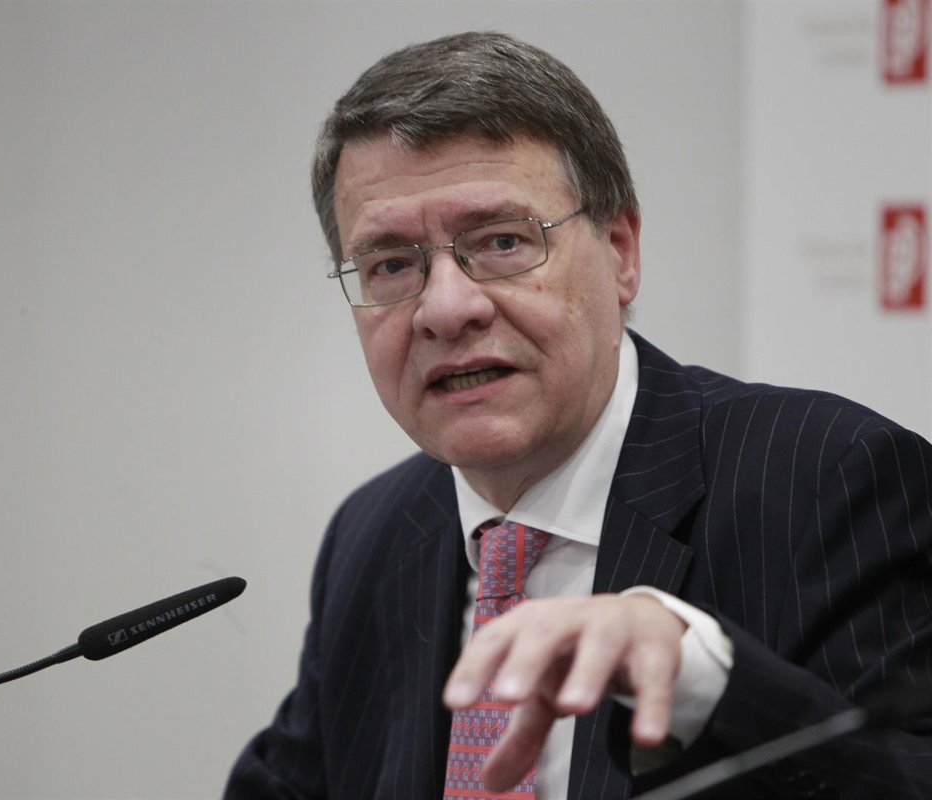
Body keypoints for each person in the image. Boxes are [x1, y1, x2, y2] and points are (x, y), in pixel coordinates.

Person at [224, 31, 932, 800]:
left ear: (621, 251)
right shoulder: (375, 534)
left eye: (502, 241)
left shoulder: (828, 478)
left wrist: (704, 674)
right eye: (391, 264)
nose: (446, 308)